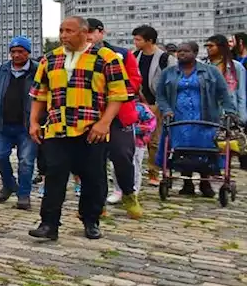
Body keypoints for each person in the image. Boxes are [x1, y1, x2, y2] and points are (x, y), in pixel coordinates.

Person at [28, 16, 129, 241]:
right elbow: (39, 94)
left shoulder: (106, 58)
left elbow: (118, 94)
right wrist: (34, 121)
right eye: (61, 30)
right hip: (57, 127)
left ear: (84, 33)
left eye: (69, 31)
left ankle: (90, 219)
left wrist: (104, 123)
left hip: (91, 129)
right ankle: (49, 223)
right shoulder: (50, 59)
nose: (64, 35)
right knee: (54, 174)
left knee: (94, 178)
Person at [155, 42, 235, 198]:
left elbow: (223, 92)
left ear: (195, 53)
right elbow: (161, 95)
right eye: (179, 51)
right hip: (178, 119)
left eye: (186, 51)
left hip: (205, 118)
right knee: (182, 150)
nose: (181, 54)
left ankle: (205, 182)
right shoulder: (168, 73)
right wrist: (166, 110)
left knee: (205, 149)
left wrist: (230, 111)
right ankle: (187, 182)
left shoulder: (210, 72)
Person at [84, 18, 143, 218]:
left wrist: (112, 94)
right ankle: (97, 202)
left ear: (102, 32)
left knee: (122, 156)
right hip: (89, 115)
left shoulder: (122, 54)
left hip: (119, 114)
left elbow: (134, 81)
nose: (89, 35)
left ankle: (128, 193)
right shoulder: (77, 56)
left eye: (92, 31)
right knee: (93, 161)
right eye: (85, 31)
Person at [0, 37, 37, 209]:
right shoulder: (2, 70)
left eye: (20, 51)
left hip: (27, 125)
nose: (16, 55)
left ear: (28, 52)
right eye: (13, 52)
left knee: (26, 161)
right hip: (3, 123)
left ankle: (24, 195)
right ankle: (8, 184)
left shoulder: (37, 70)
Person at [133, 25, 172, 184]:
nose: (135, 42)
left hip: (157, 101)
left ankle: (153, 172)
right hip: (139, 102)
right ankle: (136, 169)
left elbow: (171, 80)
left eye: (138, 39)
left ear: (149, 40)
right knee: (137, 136)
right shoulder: (135, 56)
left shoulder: (165, 58)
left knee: (155, 139)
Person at [205, 35, 247, 121]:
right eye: (207, 46)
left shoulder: (236, 67)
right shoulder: (204, 67)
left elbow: (241, 93)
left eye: (211, 46)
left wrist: (242, 117)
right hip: (210, 115)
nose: (208, 48)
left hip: (231, 114)